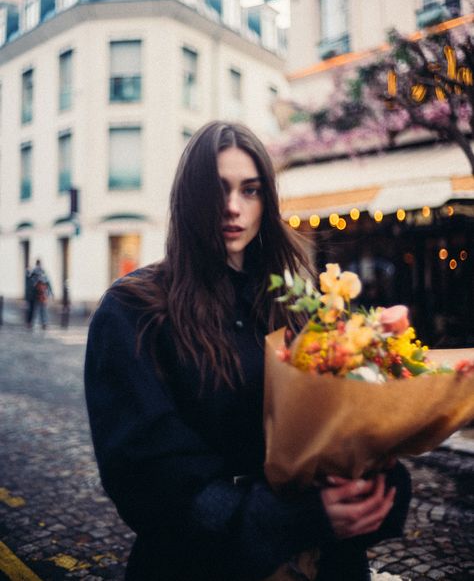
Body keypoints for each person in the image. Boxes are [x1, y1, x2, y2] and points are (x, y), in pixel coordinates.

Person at [85, 121, 411, 581]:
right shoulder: (134, 310)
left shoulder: (302, 303)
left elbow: (344, 426)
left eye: (251, 190)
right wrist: (289, 518)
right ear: (188, 198)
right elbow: (146, 475)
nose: (233, 208)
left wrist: (373, 484)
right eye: (217, 189)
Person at [27, 259, 53, 329]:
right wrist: (51, 293)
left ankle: (32, 323)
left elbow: (30, 284)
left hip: (36, 295)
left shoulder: (33, 272)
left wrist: (29, 294)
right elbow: (48, 283)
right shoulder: (43, 272)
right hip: (43, 295)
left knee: (34, 310)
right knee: (43, 310)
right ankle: (43, 323)